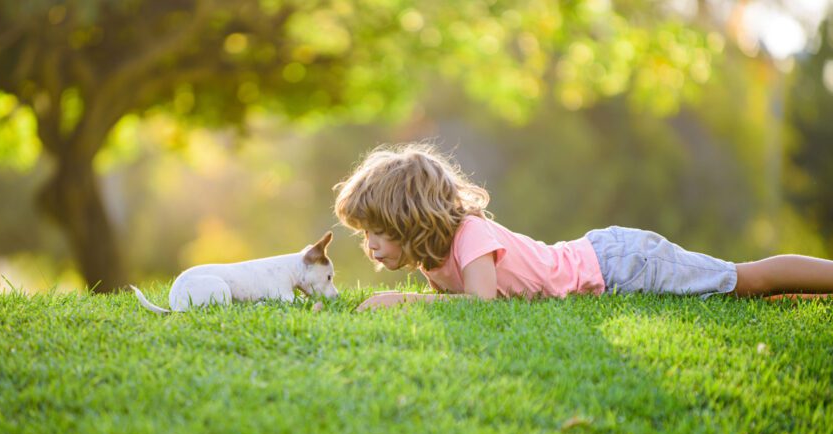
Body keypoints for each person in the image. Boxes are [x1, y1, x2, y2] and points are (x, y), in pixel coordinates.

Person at [333, 143, 833, 311]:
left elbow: (480, 306)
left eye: (377, 231)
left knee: (744, 279)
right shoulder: (433, 257)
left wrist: (402, 302)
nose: (369, 245)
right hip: (608, 260)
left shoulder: (471, 237)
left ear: (410, 220)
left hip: (621, 264)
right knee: (732, 295)